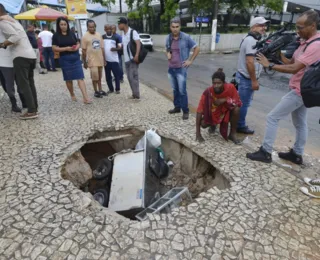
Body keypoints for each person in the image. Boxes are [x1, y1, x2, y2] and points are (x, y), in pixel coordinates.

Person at [247, 10, 320, 164]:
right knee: (300, 123)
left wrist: (270, 65)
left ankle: (265, 152)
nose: (297, 31)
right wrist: (277, 52)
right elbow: (290, 63)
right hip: (298, 87)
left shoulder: (316, 45)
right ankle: (297, 154)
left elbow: (295, 69)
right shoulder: (304, 42)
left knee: (272, 117)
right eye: (297, 27)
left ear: (312, 26)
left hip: (300, 91)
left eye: (300, 27)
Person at [0, 5, 38, 119]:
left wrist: (3, 44)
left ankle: (31, 111)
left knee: (24, 84)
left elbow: (15, 37)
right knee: (30, 84)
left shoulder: (3, 23)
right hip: (30, 55)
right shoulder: (14, 21)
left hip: (20, 56)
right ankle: (34, 108)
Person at [236, 17, 269, 134]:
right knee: (243, 104)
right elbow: (249, 61)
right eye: (261, 25)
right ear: (254, 26)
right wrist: (254, 81)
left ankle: (237, 123)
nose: (264, 28)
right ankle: (239, 125)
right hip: (247, 78)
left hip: (244, 77)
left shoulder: (251, 38)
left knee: (242, 102)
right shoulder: (251, 40)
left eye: (265, 25)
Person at [166, 17, 200, 120]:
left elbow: (197, 48)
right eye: (173, 27)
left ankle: (185, 110)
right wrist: (168, 53)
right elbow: (167, 48)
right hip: (171, 68)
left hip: (181, 69)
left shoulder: (185, 37)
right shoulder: (168, 37)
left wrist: (190, 60)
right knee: (175, 90)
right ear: (170, 27)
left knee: (182, 91)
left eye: (177, 27)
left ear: (180, 26)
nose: (175, 29)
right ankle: (177, 107)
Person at [196, 69, 242, 144]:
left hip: (225, 112)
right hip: (214, 113)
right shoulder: (208, 92)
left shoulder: (231, 87)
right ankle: (213, 125)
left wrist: (224, 99)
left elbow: (238, 102)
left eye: (219, 83)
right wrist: (198, 134)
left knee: (237, 109)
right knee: (203, 124)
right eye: (214, 83)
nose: (216, 86)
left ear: (224, 83)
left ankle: (232, 134)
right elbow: (199, 111)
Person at [52, 17, 91, 104]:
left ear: (67, 25)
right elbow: (54, 48)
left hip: (75, 58)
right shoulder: (56, 35)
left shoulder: (72, 33)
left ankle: (86, 98)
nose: (63, 26)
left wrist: (77, 47)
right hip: (65, 59)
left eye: (65, 24)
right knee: (68, 79)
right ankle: (72, 93)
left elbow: (77, 42)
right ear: (59, 25)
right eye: (61, 24)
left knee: (80, 77)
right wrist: (66, 48)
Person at [81, 20, 107, 98]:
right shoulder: (85, 36)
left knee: (100, 76)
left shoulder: (99, 35)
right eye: (90, 27)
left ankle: (100, 90)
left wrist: (104, 59)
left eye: (93, 27)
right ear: (87, 27)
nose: (92, 28)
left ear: (95, 26)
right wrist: (84, 62)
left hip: (100, 59)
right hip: (92, 60)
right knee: (94, 77)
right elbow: (83, 50)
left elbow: (102, 48)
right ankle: (96, 91)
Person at [0, 27, 23, 112]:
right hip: (3, 63)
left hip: (14, 60)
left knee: (20, 84)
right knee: (7, 86)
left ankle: (24, 104)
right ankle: (14, 103)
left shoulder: (7, 25)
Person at [118, 17, 141, 99]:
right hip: (126, 59)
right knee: (129, 77)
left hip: (132, 59)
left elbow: (138, 43)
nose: (118, 26)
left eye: (119, 24)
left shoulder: (132, 32)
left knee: (133, 77)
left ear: (123, 24)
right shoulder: (123, 34)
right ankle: (134, 94)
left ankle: (136, 95)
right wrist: (120, 46)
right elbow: (124, 45)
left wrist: (137, 55)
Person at [103, 24, 122, 94]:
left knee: (116, 75)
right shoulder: (102, 37)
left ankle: (117, 89)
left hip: (114, 60)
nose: (109, 30)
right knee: (108, 76)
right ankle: (111, 89)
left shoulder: (116, 37)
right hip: (106, 60)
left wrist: (115, 49)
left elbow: (120, 47)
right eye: (107, 29)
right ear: (104, 29)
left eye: (110, 29)